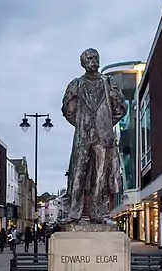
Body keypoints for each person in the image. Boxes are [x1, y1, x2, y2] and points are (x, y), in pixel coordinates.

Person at [62, 48, 127, 224]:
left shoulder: (108, 82)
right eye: (89, 58)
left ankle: (98, 212)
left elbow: (120, 107)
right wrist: (81, 124)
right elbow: (68, 111)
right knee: (78, 173)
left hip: (103, 136)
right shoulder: (76, 84)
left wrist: (105, 122)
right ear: (83, 63)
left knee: (101, 174)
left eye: (95, 57)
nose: (93, 61)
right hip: (83, 135)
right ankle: (74, 212)